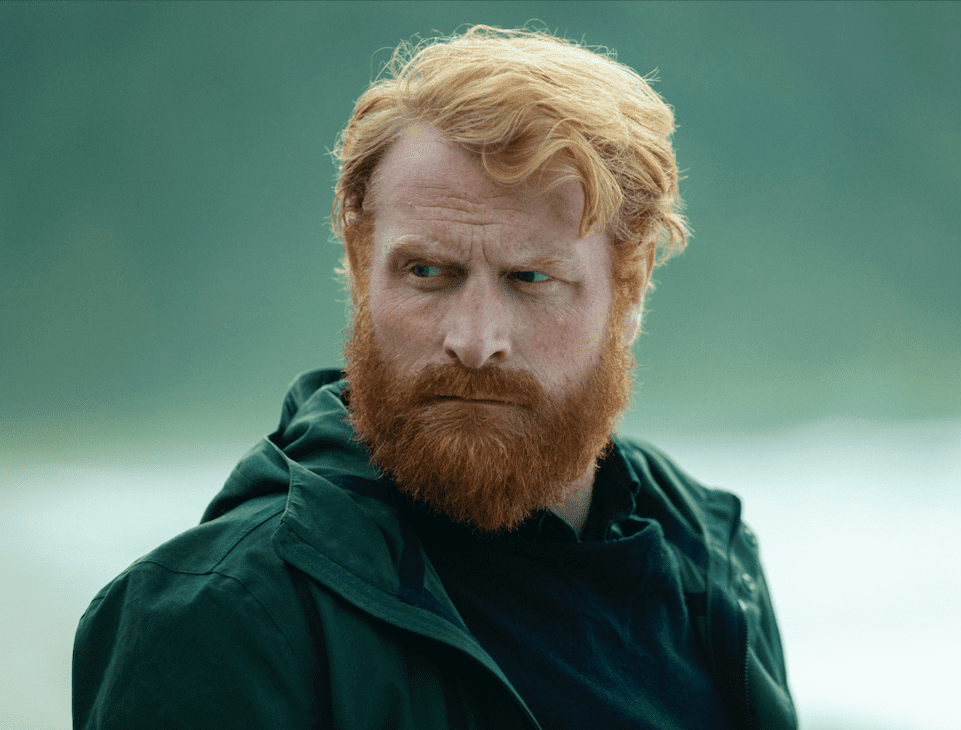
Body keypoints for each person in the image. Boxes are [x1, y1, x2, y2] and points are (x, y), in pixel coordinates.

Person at [73, 26, 796, 730]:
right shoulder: (221, 618)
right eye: (427, 271)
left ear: (629, 291)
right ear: (360, 267)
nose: (474, 342)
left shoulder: (712, 564)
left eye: (529, 278)